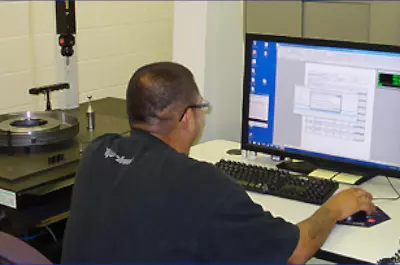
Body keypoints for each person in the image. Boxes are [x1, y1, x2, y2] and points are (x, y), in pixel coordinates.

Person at [61, 62, 375, 263]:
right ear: (186, 118)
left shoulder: (97, 153)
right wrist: (334, 208)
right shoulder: (198, 183)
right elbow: (296, 251)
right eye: (200, 107)